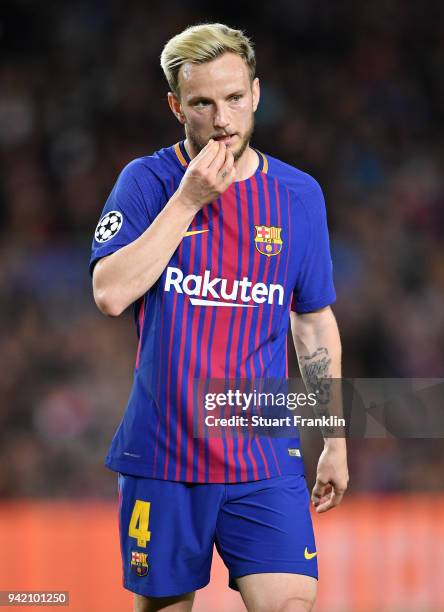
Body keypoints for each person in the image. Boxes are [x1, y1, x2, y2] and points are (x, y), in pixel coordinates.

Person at [90, 22, 348, 612]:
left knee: (289, 605)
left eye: (234, 98)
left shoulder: (299, 195)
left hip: (261, 449)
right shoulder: (147, 182)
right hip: (163, 454)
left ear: (256, 92)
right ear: (177, 106)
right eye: (203, 103)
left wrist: (334, 438)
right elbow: (109, 293)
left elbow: (311, 324)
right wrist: (188, 200)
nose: (223, 118)